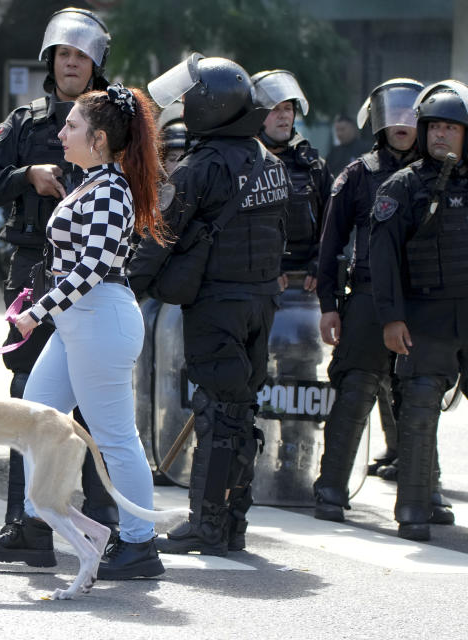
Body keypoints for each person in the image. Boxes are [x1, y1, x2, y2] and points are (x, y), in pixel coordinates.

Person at [0, 8, 119, 560]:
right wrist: (25, 176)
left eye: (80, 56)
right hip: (33, 271)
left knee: (97, 406)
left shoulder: (118, 117)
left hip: (96, 276)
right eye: (62, 55)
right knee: (26, 401)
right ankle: (28, 526)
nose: (70, 64)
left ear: (96, 63)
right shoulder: (24, 122)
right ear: (50, 60)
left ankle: (111, 530)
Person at [4, 84, 167, 578]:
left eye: (71, 126)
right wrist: (43, 304)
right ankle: (36, 524)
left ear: (98, 139)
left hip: (100, 318)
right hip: (82, 320)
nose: (61, 132)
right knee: (36, 417)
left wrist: (39, 310)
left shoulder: (110, 190)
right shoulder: (93, 183)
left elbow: (94, 265)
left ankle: (140, 545)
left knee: (116, 438)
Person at [129, 54, 289, 556]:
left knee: (217, 410)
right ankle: (233, 523)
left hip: (217, 305)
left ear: (208, 106)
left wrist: (124, 288)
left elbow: (160, 235)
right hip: (262, 302)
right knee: (241, 409)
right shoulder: (272, 161)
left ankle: (207, 524)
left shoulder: (200, 167)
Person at [312, 78, 455, 525]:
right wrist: (329, 304)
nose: (402, 123)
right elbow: (331, 243)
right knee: (355, 388)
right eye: (392, 113)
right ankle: (331, 487)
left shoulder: (442, 172)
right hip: (371, 296)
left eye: (412, 114)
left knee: (420, 397)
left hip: (425, 300)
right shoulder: (358, 174)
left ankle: (425, 489)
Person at [369, 80, 468, 541]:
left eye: (452, 128)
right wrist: (392, 318)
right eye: (436, 128)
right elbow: (383, 260)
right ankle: (413, 509)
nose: (442, 136)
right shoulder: (402, 187)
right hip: (425, 318)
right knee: (420, 410)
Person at [252, 69, 332, 291]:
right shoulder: (243, 163)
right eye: (275, 109)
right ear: (258, 116)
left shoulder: (314, 165)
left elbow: (334, 222)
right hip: (258, 285)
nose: (284, 115)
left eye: (288, 108)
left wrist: (321, 263)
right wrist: (267, 267)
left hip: (306, 286)